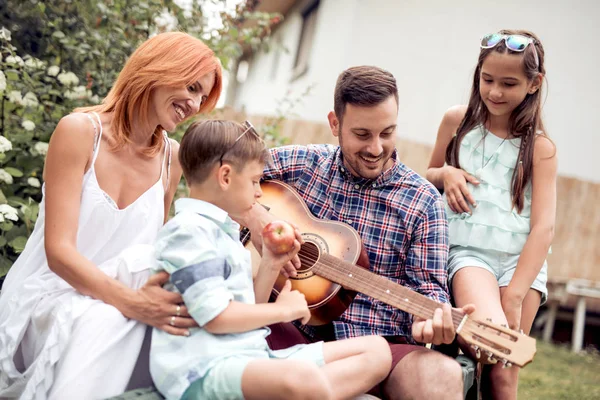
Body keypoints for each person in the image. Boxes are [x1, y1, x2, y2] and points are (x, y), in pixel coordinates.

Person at [0, 32, 222, 399]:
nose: (195, 104)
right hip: (48, 296)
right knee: (106, 321)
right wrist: (133, 303)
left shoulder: (172, 159)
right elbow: (59, 253)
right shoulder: (78, 132)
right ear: (159, 69)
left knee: (184, 332)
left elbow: (153, 253)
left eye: (202, 97)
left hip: (121, 299)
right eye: (192, 86)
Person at [243, 66, 475, 400]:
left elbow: (428, 287)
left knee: (440, 373)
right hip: (289, 326)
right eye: (362, 134)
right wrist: (258, 223)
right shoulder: (301, 163)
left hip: (381, 345)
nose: (377, 148)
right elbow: (223, 172)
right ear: (335, 123)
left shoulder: (423, 201)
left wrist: (433, 322)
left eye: (388, 132)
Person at [149, 119, 392, 400]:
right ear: (225, 177)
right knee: (305, 379)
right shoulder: (189, 232)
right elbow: (216, 318)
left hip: (248, 357)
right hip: (203, 370)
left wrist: (271, 264)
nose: (259, 191)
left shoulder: (223, 231)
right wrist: (284, 311)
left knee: (377, 351)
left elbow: (246, 311)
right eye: (254, 181)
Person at [426, 30, 556, 399]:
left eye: (509, 83)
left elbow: (543, 228)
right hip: (470, 256)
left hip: (522, 264)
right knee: (492, 344)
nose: (495, 91)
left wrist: (515, 295)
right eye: (487, 79)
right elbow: (428, 174)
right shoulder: (457, 122)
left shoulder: (540, 148)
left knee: (503, 376)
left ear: (534, 84)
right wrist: (446, 173)